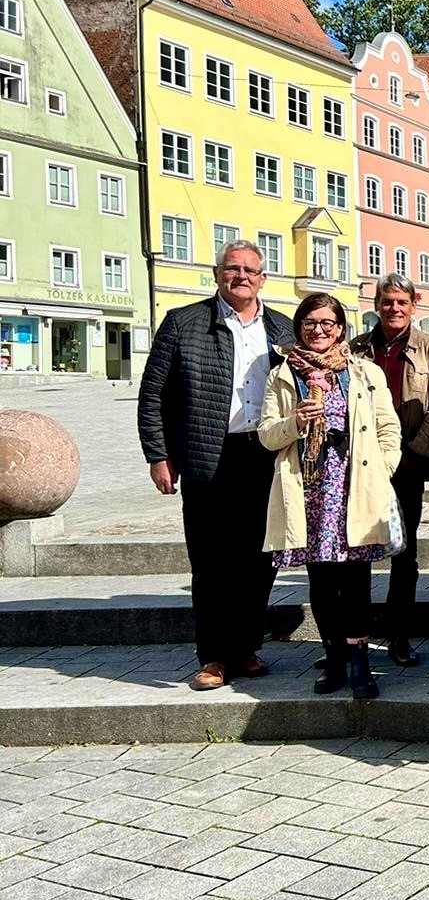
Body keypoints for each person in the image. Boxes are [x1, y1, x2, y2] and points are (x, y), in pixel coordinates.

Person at [137, 240, 293, 690]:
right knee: (211, 562)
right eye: (233, 268)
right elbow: (154, 395)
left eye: (250, 270)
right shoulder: (183, 323)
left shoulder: (281, 329)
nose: (241, 276)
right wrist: (158, 454)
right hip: (207, 454)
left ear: (263, 278)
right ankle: (213, 657)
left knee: (260, 559)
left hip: (264, 454)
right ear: (217, 273)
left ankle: (244, 648)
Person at [259, 296, 401, 699]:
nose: (318, 330)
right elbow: (267, 434)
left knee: (356, 579)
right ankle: (334, 656)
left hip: (353, 487)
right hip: (308, 488)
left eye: (327, 323)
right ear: (299, 327)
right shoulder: (284, 374)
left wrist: (382, 467)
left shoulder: (362, 371)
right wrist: (294, 422)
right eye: (309, 323)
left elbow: (387, 427)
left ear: (340, 328)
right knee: (321, 581)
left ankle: (359, 660)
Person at [350, 274, 429, 668]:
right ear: (377, 304)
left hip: (407, 463)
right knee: (355, 552)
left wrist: (411, 453)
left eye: (401, 302)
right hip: (360, 465)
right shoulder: (358, 348)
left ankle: (398, 635)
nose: (394, 308)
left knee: (403, 554)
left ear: (414, 304)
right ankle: (351, 636)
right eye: (387, 301)